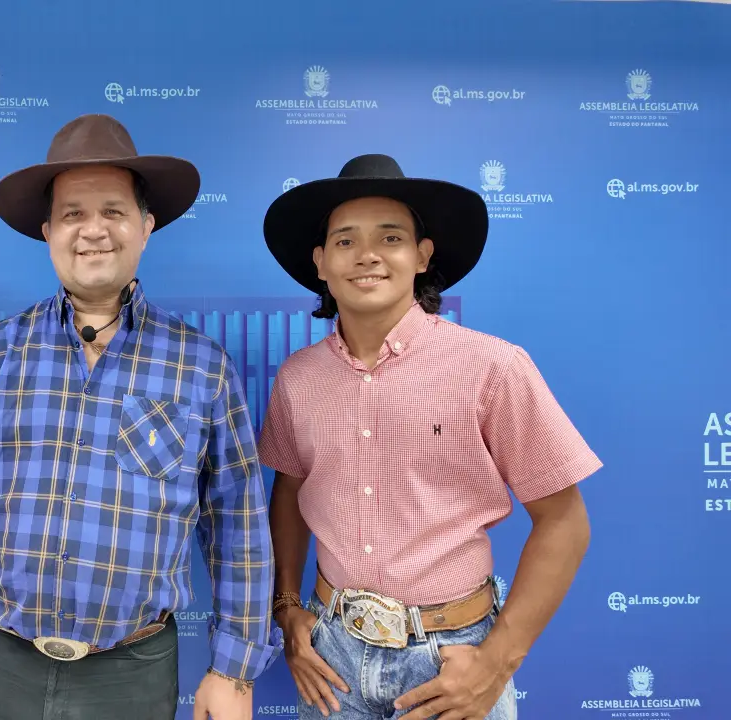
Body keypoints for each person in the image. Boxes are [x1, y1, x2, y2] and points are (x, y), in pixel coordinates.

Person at [0, 113, 282, 720]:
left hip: (132, 673)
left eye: (113, 211)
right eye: (73, 214)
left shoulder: (202, 369)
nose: (92, 230)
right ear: (48, 231)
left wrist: (235, 669)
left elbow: (240, 530)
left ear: (145, 227)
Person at [257, 154, 602, 720]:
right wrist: (288, 606)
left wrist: (496, 663)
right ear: (320, 262)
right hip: (332, 659)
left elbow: (564, 521)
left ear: (422, 255)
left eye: (390, 237)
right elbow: (290, 493)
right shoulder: (298, 378)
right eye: (345, 241)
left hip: (450, 661)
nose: (367, 254)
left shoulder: (493, 368)